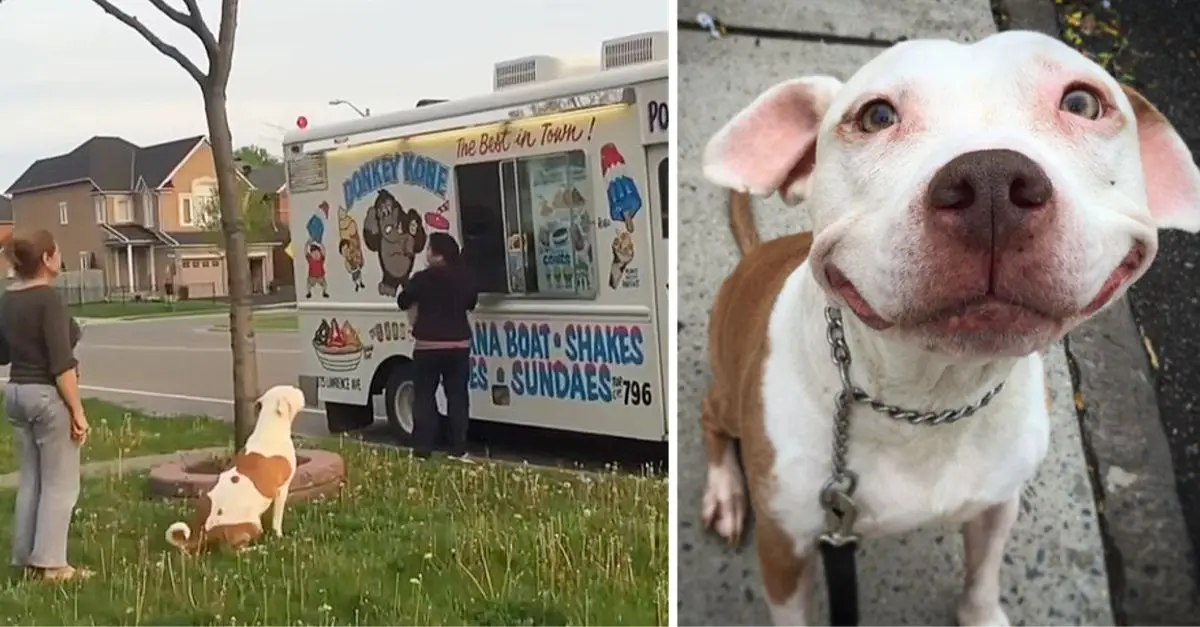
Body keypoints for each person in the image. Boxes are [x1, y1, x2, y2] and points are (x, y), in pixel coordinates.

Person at [0, 230, 89, 582]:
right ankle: (52, 564)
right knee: (61, 484)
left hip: (16, 393)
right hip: (46, 396)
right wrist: (78, 412)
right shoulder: (48, 299)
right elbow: (61, 365)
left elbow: (3, 354)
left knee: (32, 480)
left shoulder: (7, 300)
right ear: (48, 257)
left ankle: (24, 557)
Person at [396, 232, 478, 458]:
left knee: (424, 396)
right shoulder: (465, 277)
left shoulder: (422, 278)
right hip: (458, 344)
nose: (427, 254)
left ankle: (423, 450)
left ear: (436, 254)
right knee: (457, 396)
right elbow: (471, 303)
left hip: (428, 345)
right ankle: (458, 449)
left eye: (429, 250)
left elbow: (403, 301)